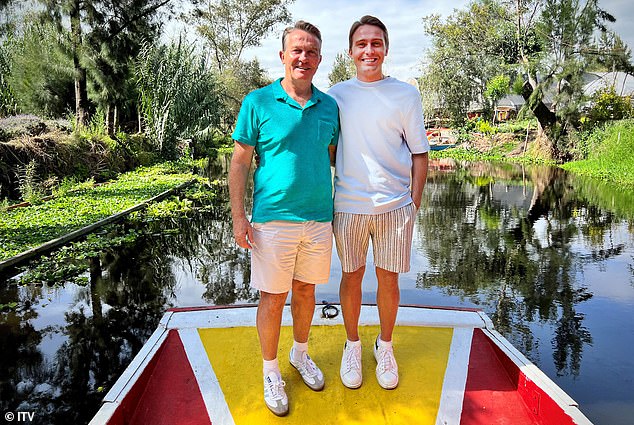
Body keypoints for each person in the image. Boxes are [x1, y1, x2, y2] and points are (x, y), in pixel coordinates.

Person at [228, 20, 339, 416]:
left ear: (319, 59)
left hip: (318, 219)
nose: (303, 58)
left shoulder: (329, 107)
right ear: (282, 56)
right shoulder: (257, 102)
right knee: (273, 298)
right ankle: (271, 370)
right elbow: (240, 162)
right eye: (297, 50)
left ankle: (300, 354)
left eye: (311, 52)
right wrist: (239, 217)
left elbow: (333, 159)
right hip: (273, 219)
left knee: (307, 293)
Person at [328, 15, 430, 390]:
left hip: (395, 208)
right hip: (349, 207)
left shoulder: (406, 94)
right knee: (351, 276)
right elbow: (330, 149)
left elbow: (420, 154)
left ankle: (384, 346)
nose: (369, 50)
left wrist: (414, 204)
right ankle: (352, 344)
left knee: (388, 279)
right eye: (362, 44)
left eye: (376, 43)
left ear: (386, 48)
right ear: (351, 51)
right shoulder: (336, 95)